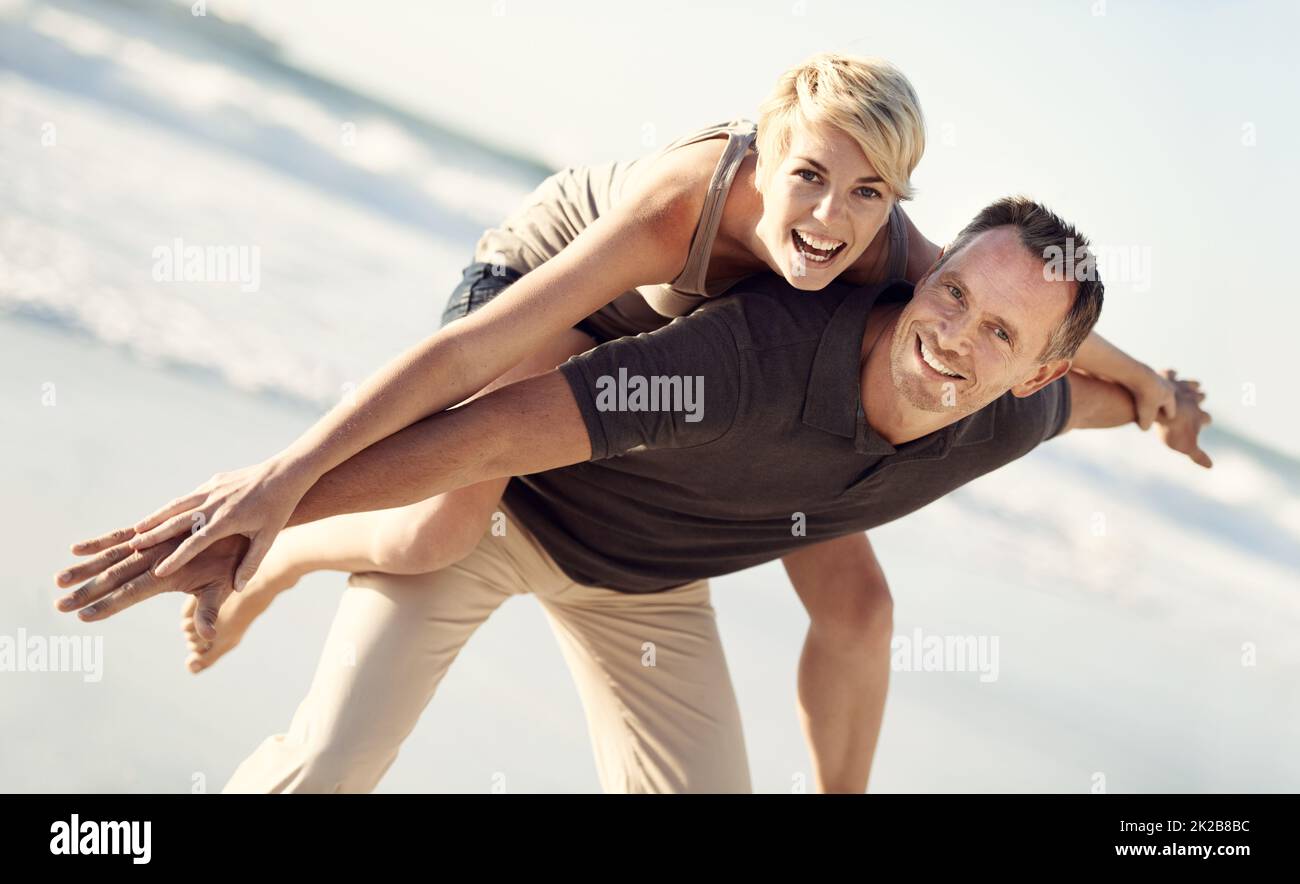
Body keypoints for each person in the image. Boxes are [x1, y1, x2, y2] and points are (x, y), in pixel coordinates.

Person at [55, 197, 1214, 793]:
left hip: (644, 590)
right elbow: (488, 423)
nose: (950, 335)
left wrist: (1163, 396)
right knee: (329, 769)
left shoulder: (1018, 412)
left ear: (1039, 371)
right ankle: (302, 558)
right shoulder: (748, 358)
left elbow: (1115, 394)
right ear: (929, 269)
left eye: (1000, 330)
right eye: (951, 292)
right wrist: (269, 505)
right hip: (498, 507)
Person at [87, 52, 1177, 651]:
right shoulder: (678, 208)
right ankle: (278, 559)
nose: (827, 217)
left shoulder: (890, 256)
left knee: (849, 585)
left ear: (896, 202)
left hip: (660, 341)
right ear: (764, 149)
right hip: (544, 280)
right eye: (807, 176)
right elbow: (472, 357)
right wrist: (277, 486)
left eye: (866, 193)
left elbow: (1034, 303)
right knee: (435, 531)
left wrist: (1144, 384)